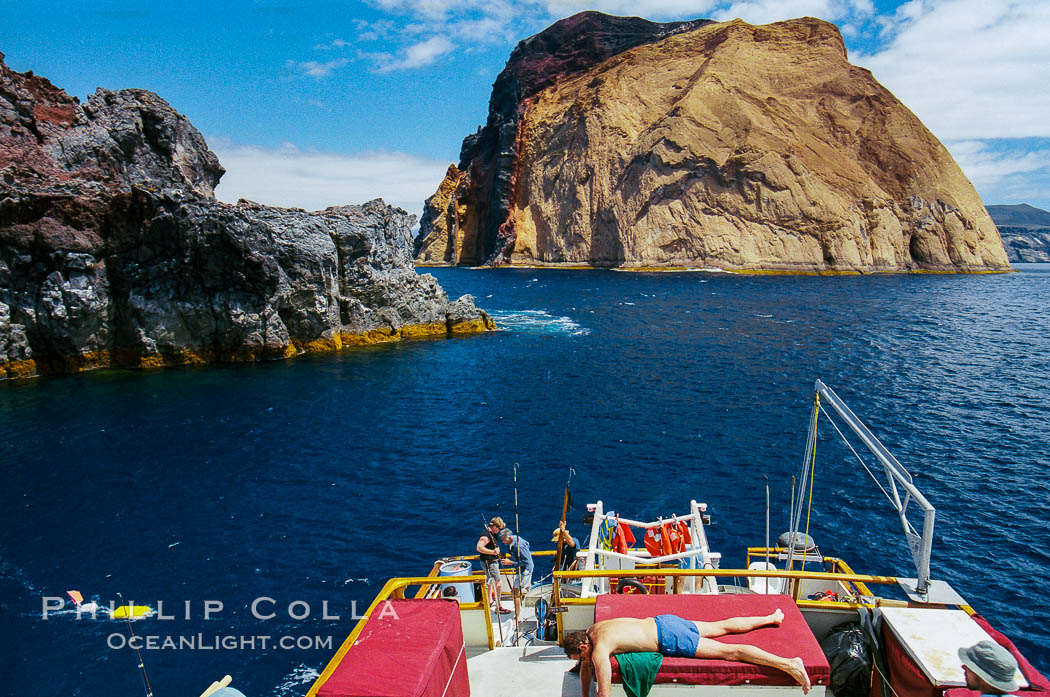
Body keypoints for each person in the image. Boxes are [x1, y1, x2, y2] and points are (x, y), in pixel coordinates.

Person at [562, 610, 811, 697]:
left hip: (669, 638)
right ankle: (772, 618)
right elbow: (586, 670)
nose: (584, 663)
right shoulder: (593, 630)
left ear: (584, 648)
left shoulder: (600, 649)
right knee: (721, 626)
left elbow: (604, 691)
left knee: (730, 653)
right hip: (665, 622)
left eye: (581, 657)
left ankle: (789, 664)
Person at [477, 517, 511, 614]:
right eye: (498, 528)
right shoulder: (486, 536)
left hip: (489, 561)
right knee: (498, 582)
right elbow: (479, 547)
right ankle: (499, 606)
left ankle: (489, 601)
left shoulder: (492, 534)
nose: (499, 531)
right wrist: (492, 552)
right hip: (490, 563)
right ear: (494, 526)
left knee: (490, 581)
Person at [498, 527, 534, 616]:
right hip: (521, 568)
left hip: (525, 569)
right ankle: (533, 606)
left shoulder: (519, 545)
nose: (502, 542)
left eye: (503, 540)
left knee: (515, 593)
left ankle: (518, 616)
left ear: (509, 538)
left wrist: (511, 562)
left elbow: (526, 562)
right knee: (527, 587)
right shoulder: (514, 539)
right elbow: (527, 544)